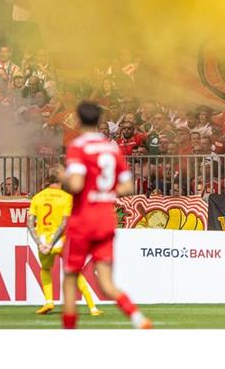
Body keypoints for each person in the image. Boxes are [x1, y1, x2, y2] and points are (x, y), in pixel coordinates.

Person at [61, 101, 151, 329]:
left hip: (83, 219)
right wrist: (104, 191)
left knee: (71, 276)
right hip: (105, 219)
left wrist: (63, 177)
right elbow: (127, 186)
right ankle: (138, 318)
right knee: (106, 283)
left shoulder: (78, 146)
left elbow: (77, 184)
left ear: (79, 120)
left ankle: (68, 330)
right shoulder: (111, 148)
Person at [27, 167, 100, 316]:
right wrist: (53, 243)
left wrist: (40, 244)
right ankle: (92, 307)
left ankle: (49, 302)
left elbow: (29, 223)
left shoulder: (37, 198)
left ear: (47, 180)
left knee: (45, 270)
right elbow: (64, 223)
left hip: (43, 240)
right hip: (61, 241)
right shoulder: (67, 198)